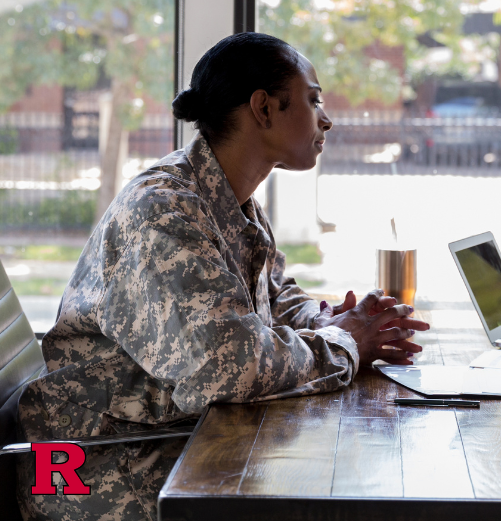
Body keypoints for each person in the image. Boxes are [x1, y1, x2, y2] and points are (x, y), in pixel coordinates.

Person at [16, 32, 429, 520]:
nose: (327, 118)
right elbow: (225, 368)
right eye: (313, 99)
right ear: (264, 108)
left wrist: (326, 318)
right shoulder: (164, 212)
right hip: (98, 473)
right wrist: (344, 343)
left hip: (173, 442)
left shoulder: (229, 198)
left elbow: (271, 298)